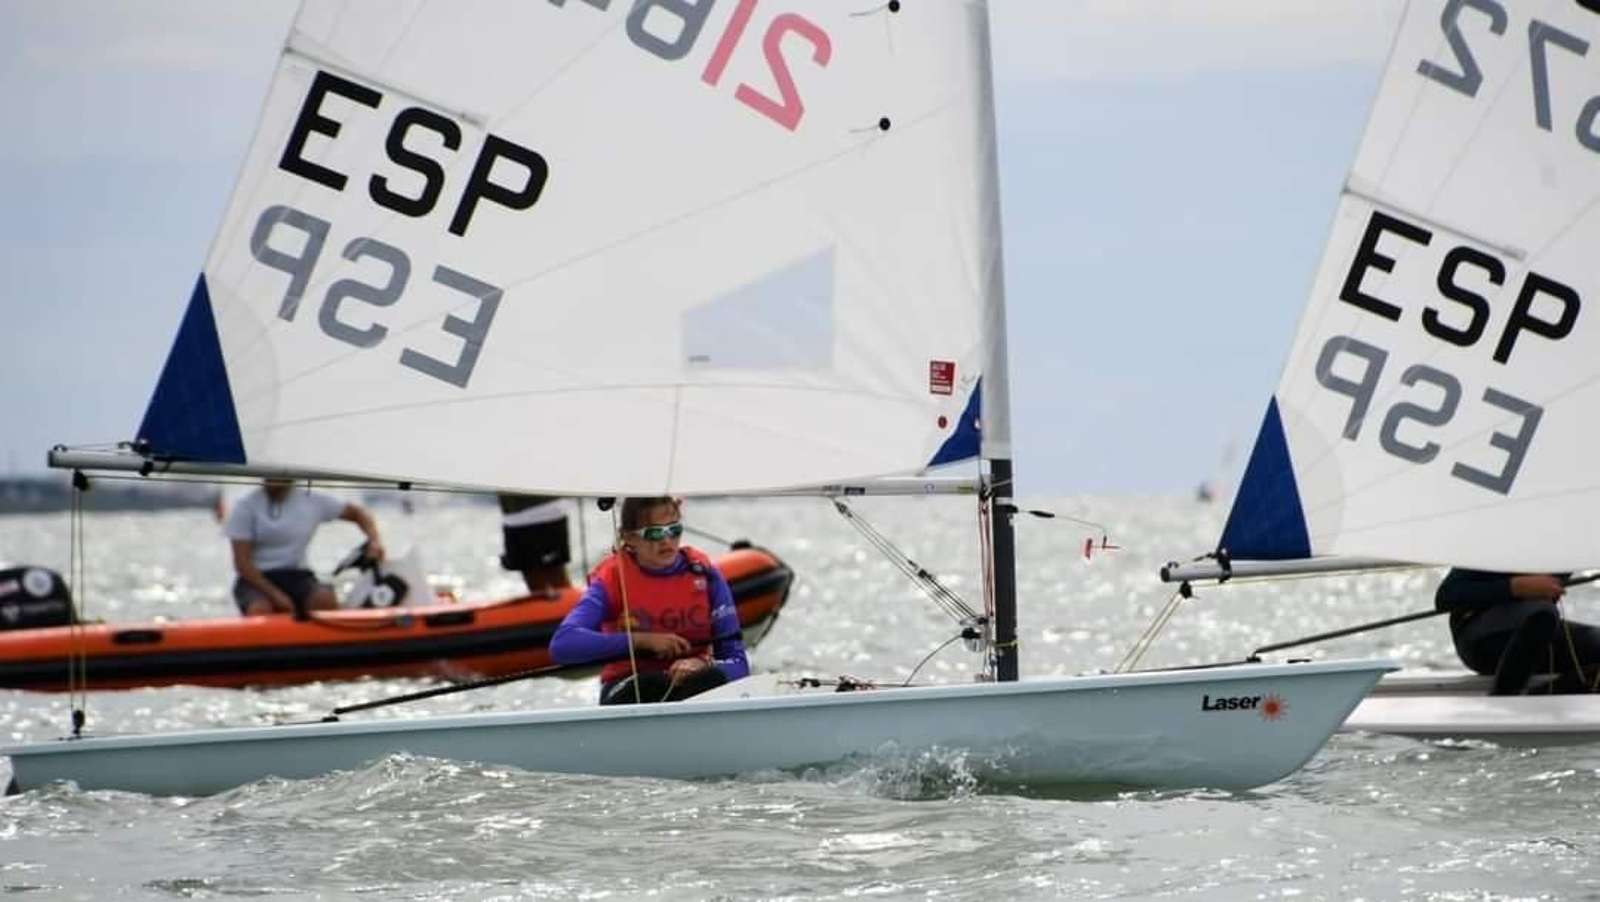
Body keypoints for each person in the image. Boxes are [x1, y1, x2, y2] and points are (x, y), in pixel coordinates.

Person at [550, 496, 748, 704]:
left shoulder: (704, 573)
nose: (666, 540)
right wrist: (642, 640)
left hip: (694, 680)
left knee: (709, 678)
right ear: (628, 537)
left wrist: (703, 664)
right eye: (654, 533)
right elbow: (563, 645)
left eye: (673, 530)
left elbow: (738, 662)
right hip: (629, 685)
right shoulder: (612, 579)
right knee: (650, 685)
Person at [223, 477, 384, 618]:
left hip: (296, 575)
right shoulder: (244, 506)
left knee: (325, 600)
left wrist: (374, 541)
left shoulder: (312, 499)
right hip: (255, 579)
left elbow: (358, 514)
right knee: (260, 610)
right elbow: (242, 565)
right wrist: (277, 597)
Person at [1436, 568, 1600, 695]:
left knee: (1544, 615)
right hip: (1480, 639)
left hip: (1540, 634)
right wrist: (1515, 587)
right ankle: (1502, 701)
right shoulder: (1500, 536)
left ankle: (1541, 697)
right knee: (1543, 612)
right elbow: (1445, 596)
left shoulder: (1567, 542)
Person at [497, 494, 572, 594]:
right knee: (535, 582)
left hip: (540, 512)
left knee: (555, 579)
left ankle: (573, 606)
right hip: (514, 518)